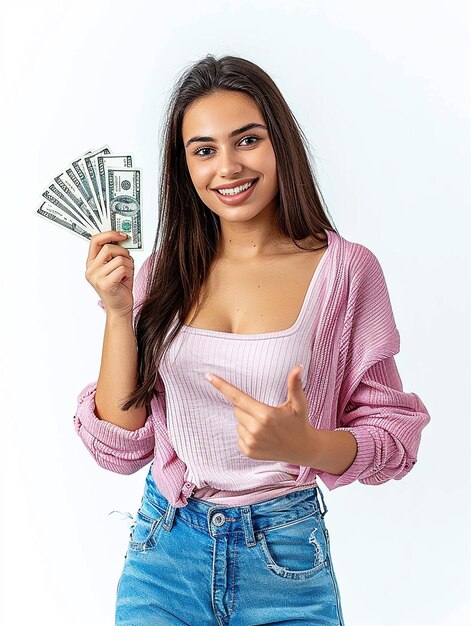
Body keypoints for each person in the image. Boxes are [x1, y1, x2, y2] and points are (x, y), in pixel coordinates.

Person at [73, 54, 431, 625]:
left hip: (285, 560)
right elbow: (120, 447)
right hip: (164, 553)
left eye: (247, 140)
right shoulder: (163, 273)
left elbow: (395, 440)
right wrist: (118, 313)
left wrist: (306, 445)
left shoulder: (345, 273)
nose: (228, 167)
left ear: (279, 142)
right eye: (204, 150)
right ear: (184, 167)